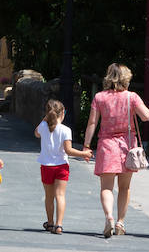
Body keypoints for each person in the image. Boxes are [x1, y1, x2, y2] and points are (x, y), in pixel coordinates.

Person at [82, 63, 149, 237]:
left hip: (106, 144)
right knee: (124, 188)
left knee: (106, 187)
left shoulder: (99, 97)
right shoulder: (132, 97)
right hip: (127, 146)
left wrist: (86, 146)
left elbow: (92, 123)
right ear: (126, 78)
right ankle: (121, 222)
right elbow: (146, 116)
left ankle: (109, 217)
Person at [35, 99, 92, 235]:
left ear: (47, 114)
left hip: (46, 166)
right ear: (63, 113)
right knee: (60, 195)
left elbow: (36, 133)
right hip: (61, 166)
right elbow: (68, 150)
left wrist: (45, 118)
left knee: (49, 196)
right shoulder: (66, 130)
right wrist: (84, 153)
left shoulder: (43, 127)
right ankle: (59, 224)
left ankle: (50, 222)